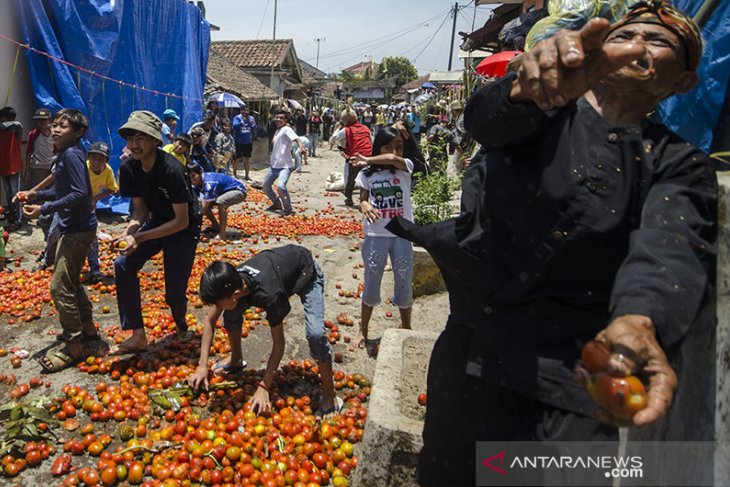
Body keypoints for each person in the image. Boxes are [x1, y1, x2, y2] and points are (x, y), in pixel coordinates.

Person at [386, 3, 714, 485]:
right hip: (474, 352)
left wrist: (640, 319)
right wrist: (524, 87)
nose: (640, 46)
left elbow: (670, 245)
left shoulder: (678, 163)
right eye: (629, 34)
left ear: (684, 81)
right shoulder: (540, 111)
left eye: (660, 42)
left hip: (574, 379)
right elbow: (485, 120)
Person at [189, 245, 341, 417]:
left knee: (315, 334)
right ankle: (236, 360)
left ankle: (330, 395)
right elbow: (210, 321)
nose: (217, 308)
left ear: (236, 294)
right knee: (230, 314)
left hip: (306, 272)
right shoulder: (233, 278)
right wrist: (202, 366)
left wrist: (264, 386)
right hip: (277, 267)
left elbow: (279, 345)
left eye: (218, 304)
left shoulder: (271, 295)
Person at [112, 110, 202, 354]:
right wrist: (129, 233)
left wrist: (139, 237)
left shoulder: (172, 169)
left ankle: (182, 325)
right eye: (130, 139)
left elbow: (181, 221)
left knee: (173, 294)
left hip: (185, 227)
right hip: (159, 219)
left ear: (155, 140)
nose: (134, 144)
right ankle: (138, 334)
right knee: (123, 263)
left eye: (141, 138)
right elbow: (140, 211)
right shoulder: (129, 168)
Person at [20, 109, 98, 372]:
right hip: (72, 227)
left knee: (58, 286)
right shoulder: (65, 155)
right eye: (54, 125)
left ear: (77, 133)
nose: (54, 129)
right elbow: (62, 189)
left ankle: (74, 345)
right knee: (71, 280)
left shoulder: (73, 155)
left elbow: (79, 194)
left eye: (62, 126)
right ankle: (87, 328)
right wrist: (36, 196)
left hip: (78, 230)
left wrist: (45, 209)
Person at [351, 126, 414, 350]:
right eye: (389, 146)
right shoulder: (367, 175)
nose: (395, 152)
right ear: (379, 146)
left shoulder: (405, 168)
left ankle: (406, 328)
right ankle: (363, 329)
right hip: (376, 234)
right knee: (371, 281)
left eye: (399, 147)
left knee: (404, 282)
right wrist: (365, 205)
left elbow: (390, 159)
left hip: (401, 235)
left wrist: (367, 158)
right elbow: (362, 200)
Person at [86, 141, 119, 283]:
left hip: (89, 209)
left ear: (106, 161)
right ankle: (48, 259)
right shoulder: (82, 167)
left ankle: (94, 270)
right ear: (88, 157)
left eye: (101, 159)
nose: (97, 162)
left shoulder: (108, 171)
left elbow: (113, 189)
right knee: (55, 233)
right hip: (72, 207)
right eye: (94, 158)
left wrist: (95, 198)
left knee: (92, 238)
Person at [263, 111, 306, 217]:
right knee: (265, 186)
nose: (278, 120)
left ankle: (288, 208)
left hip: (285, 166)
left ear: (286, 120)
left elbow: (297, 139)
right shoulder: (278, 130)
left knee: (281, 187)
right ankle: (277, 204)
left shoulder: (287, 129)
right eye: (277, 117)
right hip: (274, 165)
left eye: (281, 118)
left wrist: (301, 147)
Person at [188, 164, 247, 241]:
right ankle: (216, 226)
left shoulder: (209, 184)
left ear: (200, 173)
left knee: (220, 202)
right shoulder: (198, 182)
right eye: (189, 177)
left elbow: (202, 210)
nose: (192, 179)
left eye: (193, 176)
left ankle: (222, 234)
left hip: (239, 191)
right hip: (223, 192)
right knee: (206, 206)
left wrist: (193, 228)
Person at [331, 108, 372, 207]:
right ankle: (368, 200)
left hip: (356, 157)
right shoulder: (366, 128)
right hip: (369, 157)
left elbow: (333, 138)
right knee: (369, 178)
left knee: (351, 179)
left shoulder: (347, 129)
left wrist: (339, 127)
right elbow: (371, 141)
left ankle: (349, 198)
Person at [0, 107, 24, 231]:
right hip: (3, 167)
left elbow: (16, 124)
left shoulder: (16, 128)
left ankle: (18, 219)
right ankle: (12, 216)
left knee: (16, 194)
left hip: (14, 166)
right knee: (9, 193)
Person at [24, 107, 54, 190]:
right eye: (39, 120)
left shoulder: (54, 133)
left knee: (51, 189)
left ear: (49, 120)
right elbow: (28, 152)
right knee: (37, 189)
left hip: (51, 167)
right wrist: (27, 169)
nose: (42, 122)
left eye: (44, 120)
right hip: (38, 167)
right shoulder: (33, 134)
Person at [232, 105, 256, 180]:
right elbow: (234, 127)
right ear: (241, 111)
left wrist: (253, 125)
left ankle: (247, 175)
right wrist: (242, 122)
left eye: (247, 111)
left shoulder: (251, 118)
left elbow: (255, 129)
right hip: (239, 142)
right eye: (244, 111)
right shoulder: (237, 118)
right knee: (237, 159)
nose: (246, 112)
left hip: (248, 142)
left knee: (247, 159)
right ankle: (234, 174)